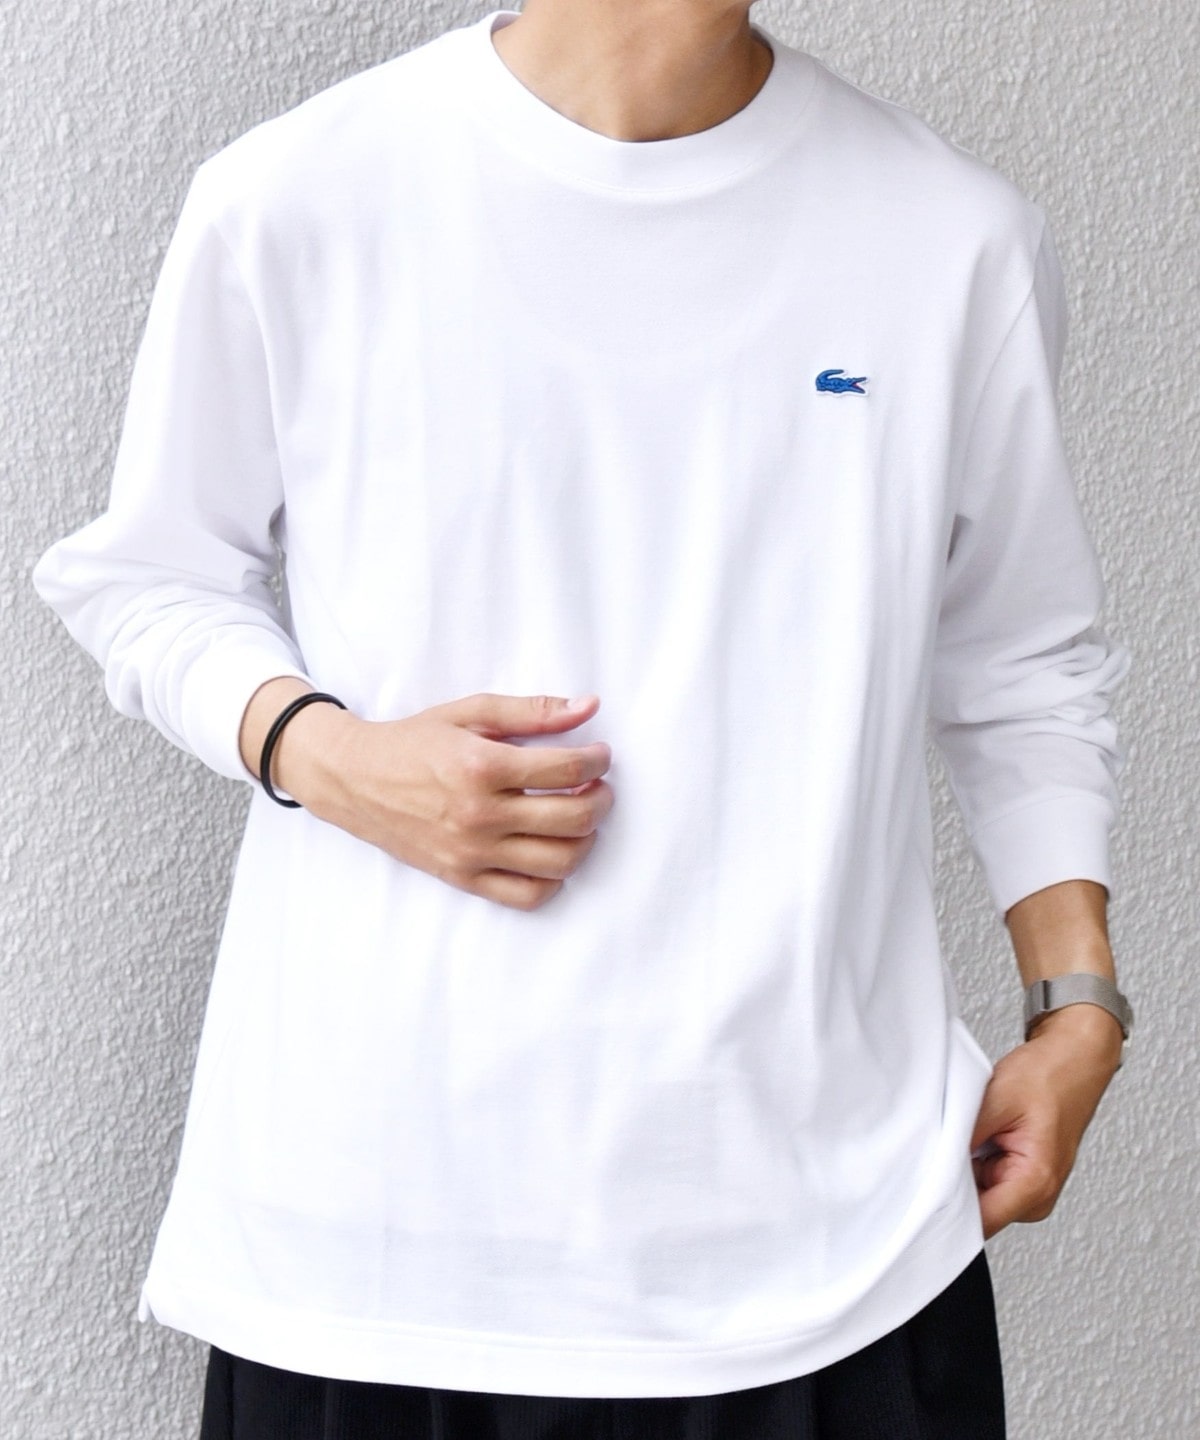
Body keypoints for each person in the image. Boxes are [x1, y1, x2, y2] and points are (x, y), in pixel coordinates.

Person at [30, 2, 1134, 1436]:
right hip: (375, 1254)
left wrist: (1076, 1007)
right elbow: (147, 578)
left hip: (833, 1256)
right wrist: (328, 754)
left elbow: (1021, 659)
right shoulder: (299, 194)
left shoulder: (953, 238)